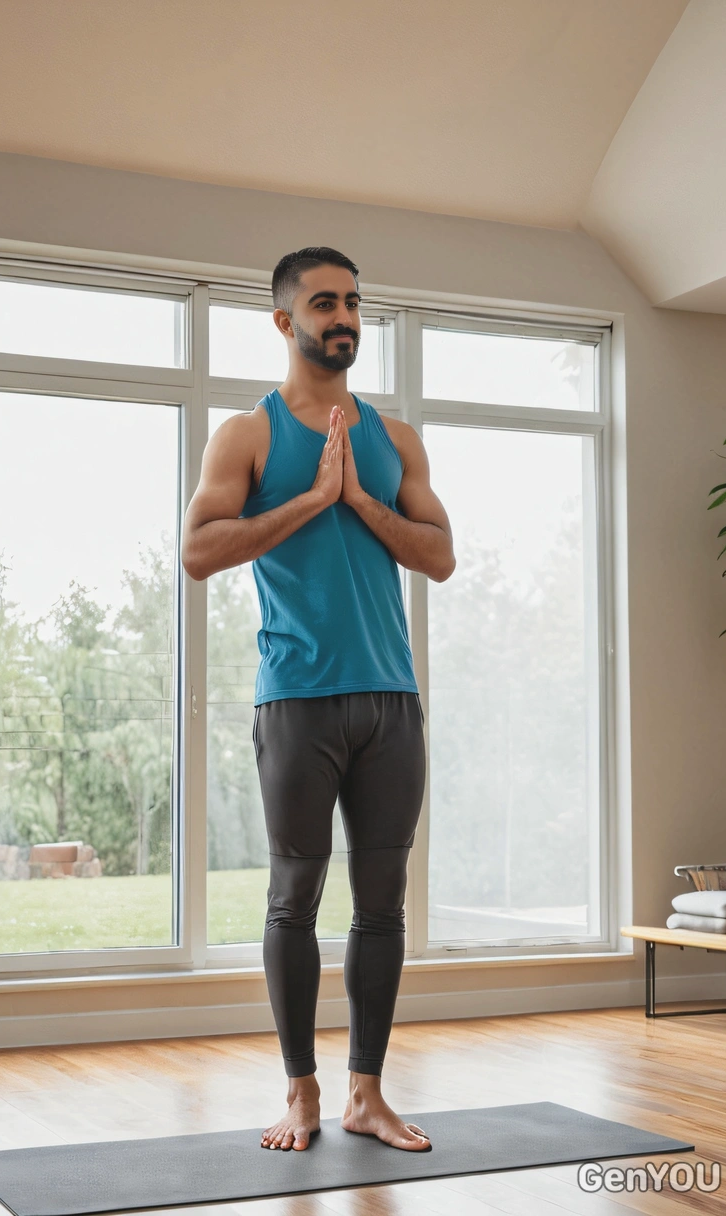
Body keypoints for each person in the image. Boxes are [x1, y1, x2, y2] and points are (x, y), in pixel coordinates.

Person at [182, 246, 455, 1153]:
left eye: (353, 303)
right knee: (294, 896)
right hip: (296, 697)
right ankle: (300, 1091)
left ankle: (365, 1095)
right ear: (284, 321)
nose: (343, 317)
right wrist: (311, 499)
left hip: (390, 699)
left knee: (382, 903)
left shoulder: (395, 436)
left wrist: (359, 503)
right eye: (325, 302)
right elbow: (198, 549)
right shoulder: (248, 434)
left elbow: (438, 556)